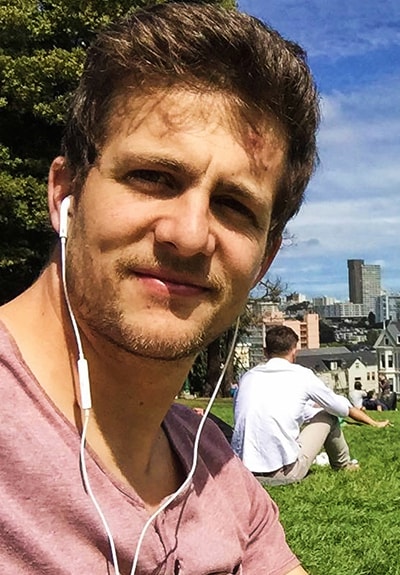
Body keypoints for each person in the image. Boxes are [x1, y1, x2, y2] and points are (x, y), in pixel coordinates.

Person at [0, 4, 324, 572]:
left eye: (233, 205)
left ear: (265, 258)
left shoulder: (216, 469)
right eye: (152, 177)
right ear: (64, 194)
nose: (190, 234)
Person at [232, 326, 389, 486]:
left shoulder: (247, 377)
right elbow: (340, 408)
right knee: (329, 415)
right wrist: (374, 423)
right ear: (294, 351)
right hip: (283, 473)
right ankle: (344, 465)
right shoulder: (302, 375)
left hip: (242, 472)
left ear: (265, 352)